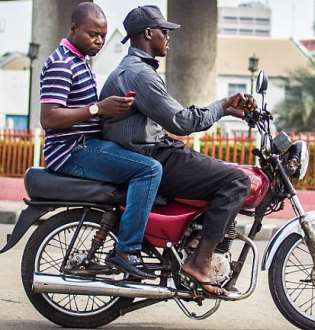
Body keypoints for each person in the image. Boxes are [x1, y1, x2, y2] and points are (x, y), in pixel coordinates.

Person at [99, 5, 257, 296]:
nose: (168, 37)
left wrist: (225, 110)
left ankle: (195, 244)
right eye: (165, 31)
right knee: (237, 180)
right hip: (151, 156)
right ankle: (200, 262)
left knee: (215, 170)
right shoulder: (140, 75)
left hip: (153, 149)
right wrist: (222, 106)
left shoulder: (136, 71)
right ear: (148, 34)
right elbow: (182, 121)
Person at [39, 2, 162, 280]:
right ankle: (127, 250)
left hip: (84, 144)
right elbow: (49, 118)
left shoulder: (79, 60)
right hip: (71, 150)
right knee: (149, 169)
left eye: (103, 36)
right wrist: (98, 109)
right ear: (73, 28)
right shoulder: (61, 63)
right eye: (92, 34)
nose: (98, 41)